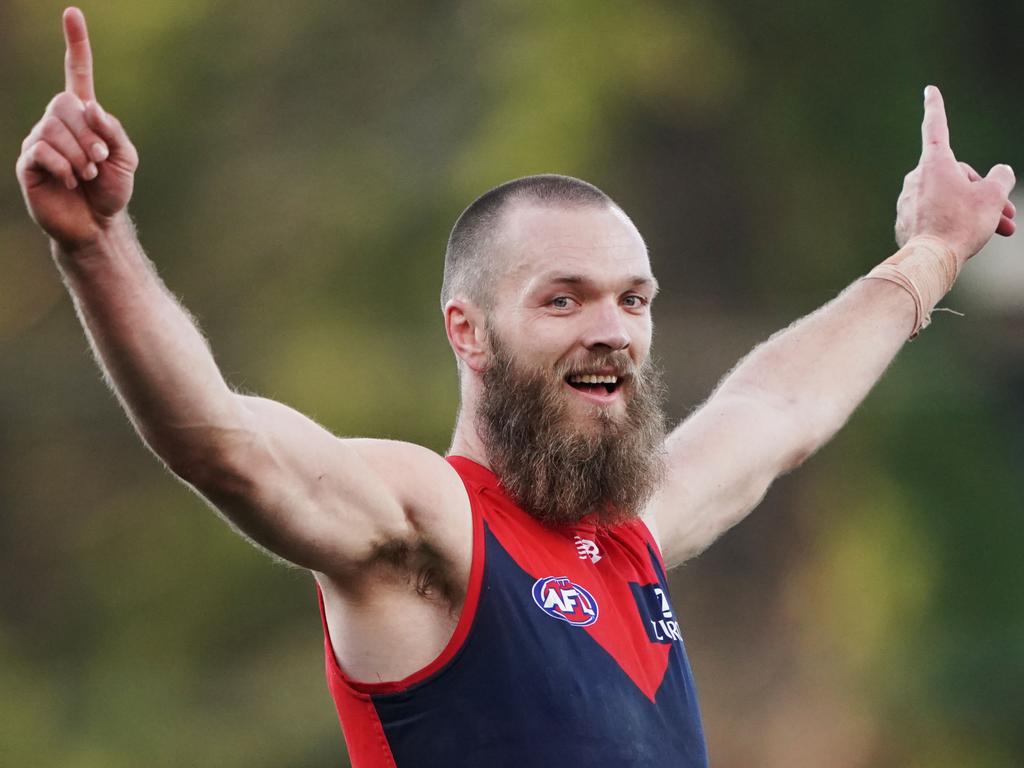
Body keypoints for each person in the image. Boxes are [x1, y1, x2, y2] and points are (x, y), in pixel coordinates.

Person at [17, 7, 1017, 768]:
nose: (611, 331)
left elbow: (780, 409)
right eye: (563, 300)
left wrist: (928, 255)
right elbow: (225, 448)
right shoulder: (429, 531)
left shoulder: (632, 531)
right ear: (470, 332)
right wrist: (99, 248)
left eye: (633, 300)